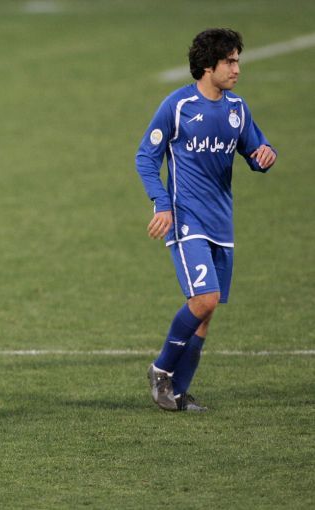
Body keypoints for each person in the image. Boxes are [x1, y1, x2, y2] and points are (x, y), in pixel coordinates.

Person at [135, 28, 276, 412]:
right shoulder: (178, 106)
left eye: (237, 61)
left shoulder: (237, 109)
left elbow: (256, 150)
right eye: (229, 62)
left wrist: (265, 155)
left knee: (206, 312)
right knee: (205, 298)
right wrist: (162, 203)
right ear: (208, 66)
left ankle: (178, 394)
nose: (237, 69)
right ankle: (161, 370)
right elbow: (146, 157)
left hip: (221, 222)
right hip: (186, 219)